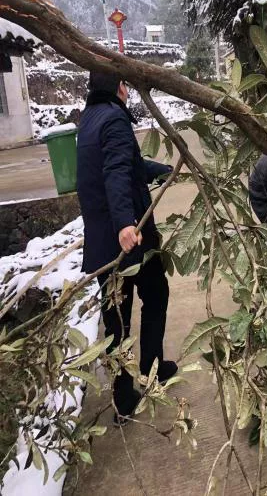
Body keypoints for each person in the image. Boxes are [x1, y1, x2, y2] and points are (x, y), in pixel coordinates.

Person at [77, 71, 176, 424]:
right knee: (156, 297)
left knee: (115, 321)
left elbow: (127, 165)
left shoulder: (89, 120)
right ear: (120, 87)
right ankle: (151, 371)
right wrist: (124, 223)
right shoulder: (115, 118)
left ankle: (123, 399)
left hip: (102, 247)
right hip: (131, 241)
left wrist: (162, 170)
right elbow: (116, 171)